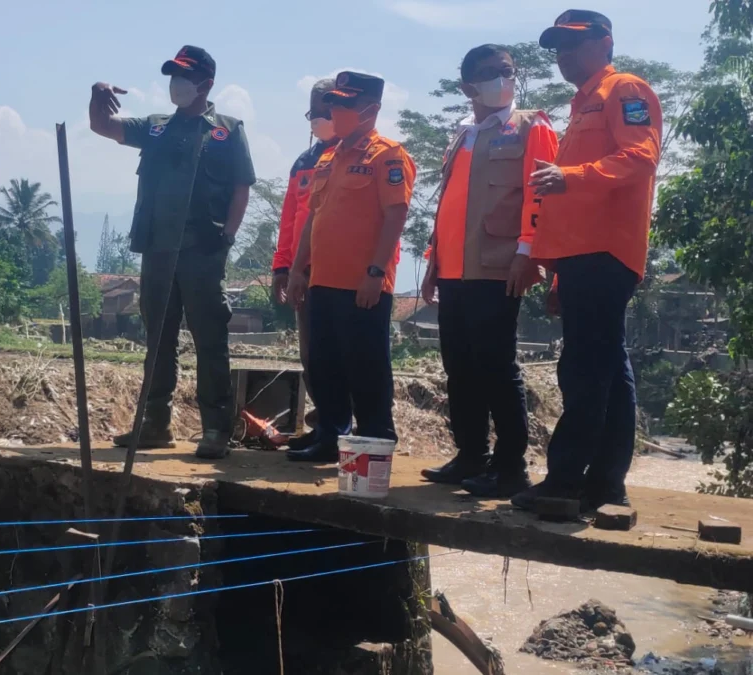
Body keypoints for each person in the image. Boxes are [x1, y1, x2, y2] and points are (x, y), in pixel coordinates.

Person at [513, 10, 663, 511]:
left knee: (584, 368)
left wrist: (571, 175)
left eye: (573, 44)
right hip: (581, 256)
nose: (563, 55)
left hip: (605, 250)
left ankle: (565, 480)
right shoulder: (581, 105)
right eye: (557, 46)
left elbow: (641, 155)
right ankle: (605, 484)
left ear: (605, 42)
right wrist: (558, 275)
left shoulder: (625, 89)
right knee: (606, 365)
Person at [88, 45, 256, 460]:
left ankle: (216, 427)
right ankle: (153, 424)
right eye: (172, 75)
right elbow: (103, 126)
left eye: (183, 76)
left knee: (210, 339)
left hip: (203, 251)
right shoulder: (156, 127)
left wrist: (228, 238)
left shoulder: (227, 130)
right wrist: (97, 94)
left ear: (205, 83)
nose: (175, 84)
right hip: (157, 249)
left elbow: (241, 188)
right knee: (158, 339)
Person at [418, 45, 560, 499]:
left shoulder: (530, 127)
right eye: (492, 74)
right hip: (455, 269)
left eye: (508, 72)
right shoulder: (463, 136)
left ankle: (510, 466)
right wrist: (433, 263)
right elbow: (448, 205)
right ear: (468, 87)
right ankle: (470, 454)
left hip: (499, 267)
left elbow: (541, 196)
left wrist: (528, 254)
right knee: (459, 366)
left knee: (496, 366)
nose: (504, 80)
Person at [284, 71, 416, 462]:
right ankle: (329, 435)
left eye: (343, 105)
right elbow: (313, 217)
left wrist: (375, 273)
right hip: (323, 281)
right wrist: (297, 269)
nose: (334, 111)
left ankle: (376, 441)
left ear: (370, 110)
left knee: (366, 368)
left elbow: (396, 215)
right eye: (333, 104)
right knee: (325, 365)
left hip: (363, 285)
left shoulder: (388, 156)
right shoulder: (329, 156)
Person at [270, 78, 341, 451]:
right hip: (303, 273)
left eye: (327, 111)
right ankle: (324, 424)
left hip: (340, 272)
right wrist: (282, 267)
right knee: (311, 352)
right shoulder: (304, 161)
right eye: (314, 112)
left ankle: (340, 428)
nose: (320, 118)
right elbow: (289, 219)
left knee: (339, 354)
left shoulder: (355, 156)